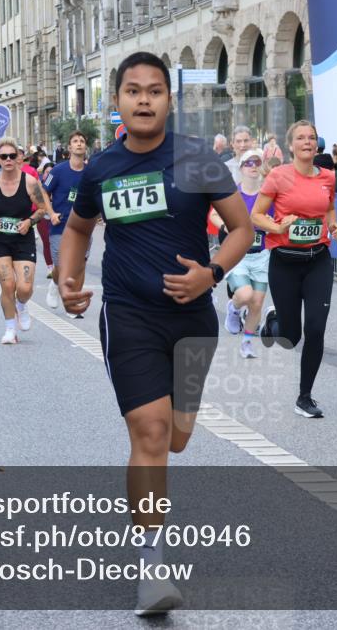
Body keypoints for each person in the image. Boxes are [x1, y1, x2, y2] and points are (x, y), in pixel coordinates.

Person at [57, 52, 251, 616]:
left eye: (155, 90)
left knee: (178, 437)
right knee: (150, 429)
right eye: (133, 90)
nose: (144, 99)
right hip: (129, 314)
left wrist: (211, 274)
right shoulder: (101, 168)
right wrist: (69, 277)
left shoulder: (195, 159)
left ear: (170, 99)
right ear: (115, 100)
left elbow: (241, 228)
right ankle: (151, 563)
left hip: (194, 319)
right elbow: (77, 228)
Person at [252, 120, 337, 419]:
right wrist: (277, 226)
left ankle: (305, 397)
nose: (307, 142)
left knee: (315, 329)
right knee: (291, 337)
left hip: (318, 259)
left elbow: (328, 207)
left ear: (317, 144)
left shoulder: (328, 177)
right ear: (290, 145)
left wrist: (333, 225)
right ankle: (274, 322)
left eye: (312, 138)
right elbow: (256, 215)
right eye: (301, 138)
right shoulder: (278, 176)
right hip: (285, 261)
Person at [0, 136, 46, 344]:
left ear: (18, 158)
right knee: (8, 285)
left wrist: (29, 222)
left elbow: (42, 208)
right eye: (3, 156)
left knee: (24, 288)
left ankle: (22, 305)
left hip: (23, 239)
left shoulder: (30, 182)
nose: (8, 159)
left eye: (12, 156)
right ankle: (9, 329)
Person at [213, 149, 272, 358]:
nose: (253, 166)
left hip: (262, 255)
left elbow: (276, 219)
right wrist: (225, 226)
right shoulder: (234, 194)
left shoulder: (267, 195)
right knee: (245, 295)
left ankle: (247, 343)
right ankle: (234, 308)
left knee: (257, 302)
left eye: (257, 162)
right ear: (241, 168)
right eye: (248, 163)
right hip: (237, 253)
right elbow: (213, 214)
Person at [43, 131, 90, 311]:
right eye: (75, 141)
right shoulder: (58, 170)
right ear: (69, 148)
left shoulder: (90, 172)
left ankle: (74, 301)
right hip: (60, 225)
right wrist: (51, 213)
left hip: (83, 228)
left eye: (82, 141)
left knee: (79, 266)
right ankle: (55, 285)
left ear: (85, 147)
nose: (79, 143)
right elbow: (43, 191)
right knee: (62, 266)